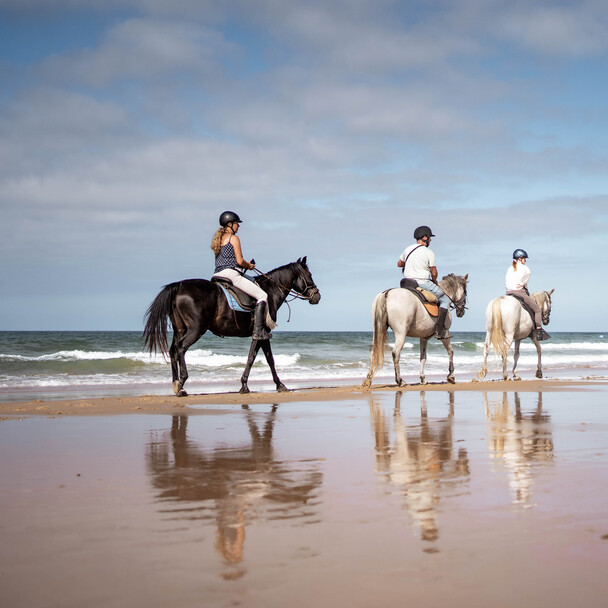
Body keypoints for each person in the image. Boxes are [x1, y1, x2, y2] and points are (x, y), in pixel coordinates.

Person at [211, 211, 272, 340]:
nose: (238, 226)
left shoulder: (218, 240)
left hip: (217, 275)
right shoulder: (233, 238)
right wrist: (249, 266)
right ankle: (258, 331)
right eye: (236, 224)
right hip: (231, 275)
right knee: (263, 295)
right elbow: (239, 261)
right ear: (229, 224)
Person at [397, 225, 452, 339]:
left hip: (406, 282)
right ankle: (440, 330)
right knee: (445, 300)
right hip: (422, 282)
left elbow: (399, 264)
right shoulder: (429, 252)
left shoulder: (408, 249)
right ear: (425, 237)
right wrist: (435, 281)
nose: (431, 240)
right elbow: (434, 272)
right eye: (429, 237)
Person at [505, 249, 550, 341]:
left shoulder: (510, 268)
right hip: (519, 292)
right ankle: (539, 331)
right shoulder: (525, 268)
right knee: (537, 310)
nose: (525, 261)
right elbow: (525, 280)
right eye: (525, 259)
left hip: (508, 293)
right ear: (520, 259)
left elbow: (506, 282)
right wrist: (521, 285)